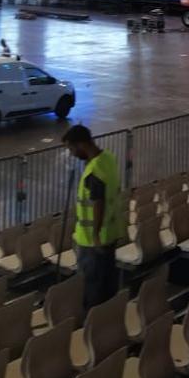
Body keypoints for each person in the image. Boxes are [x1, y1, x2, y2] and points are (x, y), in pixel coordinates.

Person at [65, 125, 124, 308]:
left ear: (82, 144)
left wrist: (95, 235)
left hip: (93, 242)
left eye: (72, 149)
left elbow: (99, 203)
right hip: (111, 234)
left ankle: (93, 325)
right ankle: (106, 321)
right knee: (107, 284)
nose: (72, 154)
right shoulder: (108, 159)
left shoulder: (94, 171)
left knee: (92, 289)